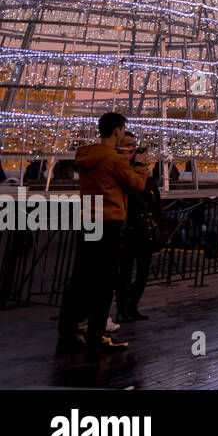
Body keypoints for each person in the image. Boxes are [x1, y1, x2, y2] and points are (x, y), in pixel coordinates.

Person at [56, 112, 145, 353]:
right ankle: (97, 334)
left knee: (80, 278)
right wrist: (142, 166)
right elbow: (136, 184)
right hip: (108, 223)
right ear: (117, 130)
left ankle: (68, 331)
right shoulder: (113, 159)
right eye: (123, 130)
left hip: (87, 220)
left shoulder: (87, 155)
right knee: (105, 281)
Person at [116, 140, 164, 323]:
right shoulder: (130, 176)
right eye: (145, 156)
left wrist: (161, 226)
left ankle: (132, 305)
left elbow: (156, 205)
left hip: (145, 231)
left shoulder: (149, 180)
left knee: (142, 273)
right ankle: (122, 308)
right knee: (125, 274)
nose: (148, 159)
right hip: (130, 230)